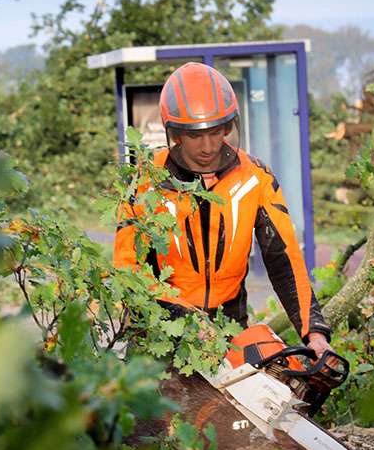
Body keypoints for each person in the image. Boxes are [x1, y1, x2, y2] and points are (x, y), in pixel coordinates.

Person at [113, 61, 332, 360]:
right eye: (195, 135)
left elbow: (284, 259)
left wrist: (314, 332)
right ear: (175, 134)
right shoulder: (144, 181)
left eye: (215, 132)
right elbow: (128, 271)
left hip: (229, 325)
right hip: (157, 327)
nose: (207, 146)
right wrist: (184, 316)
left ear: (229, 126)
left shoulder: (255, 176)